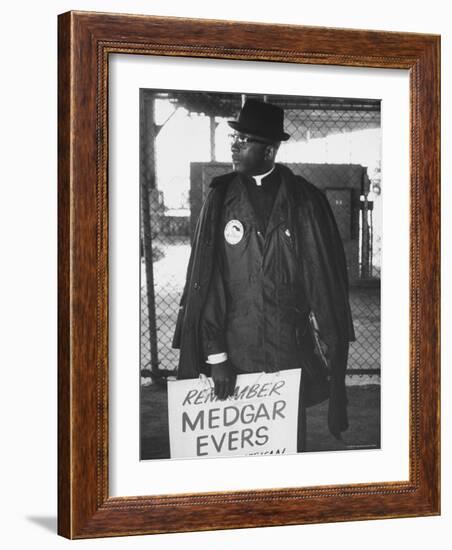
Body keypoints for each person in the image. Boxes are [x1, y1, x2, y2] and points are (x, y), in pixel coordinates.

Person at [172, 98, 355, 440]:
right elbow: (207, 284)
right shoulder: (220, 199)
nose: (235, 147)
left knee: (288, 448)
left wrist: (336, 365)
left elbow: (325, 287)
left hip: (289, 355)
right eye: (234, 140)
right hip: (235, 357)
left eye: (244, 141)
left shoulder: (305, 201)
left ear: (269, 151)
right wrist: (217, 356)